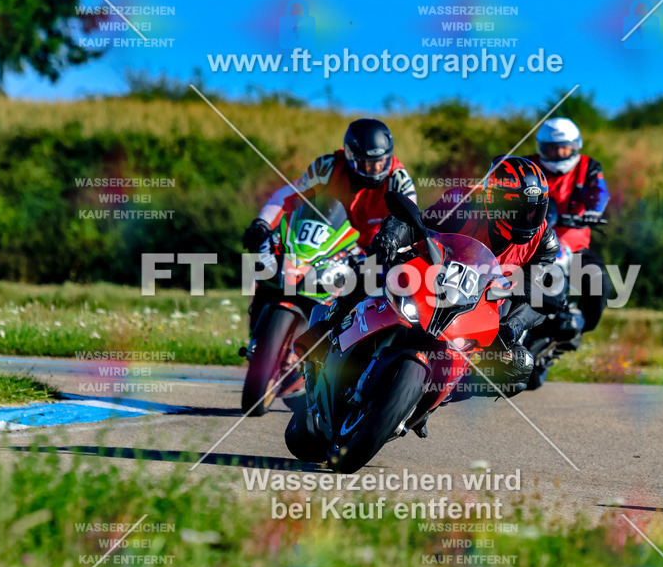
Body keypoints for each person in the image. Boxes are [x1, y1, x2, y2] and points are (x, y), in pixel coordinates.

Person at [370, 156, 570, 409]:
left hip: (477, 310)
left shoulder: (543, 240)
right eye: (518, 209)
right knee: (366, 271)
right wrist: (390, 237)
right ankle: (320, 336)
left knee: (517, 371)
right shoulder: (463, 204)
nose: (527, 218)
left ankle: (431, 397)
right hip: (427, 280)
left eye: (534, 210)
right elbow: (415, 224)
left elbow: (546, 289)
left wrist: (512, 328)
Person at [240, 118, 417, 333]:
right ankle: (255, 330)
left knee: (375, 302)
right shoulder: (328, 165)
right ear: (350, 155)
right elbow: (289, 194)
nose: (374, 169)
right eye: (366, 163)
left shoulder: (399, 179)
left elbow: (408, 218)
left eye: (381, 162)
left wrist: (391, 239)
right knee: (267, 258)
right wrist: (262, 222)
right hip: (320, 241)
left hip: (369, 252)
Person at [527, 117, 611, 333]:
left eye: (563, 149)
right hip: (530, 241)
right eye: (551, 149)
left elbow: (599, 192)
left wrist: (594, 211)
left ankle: (581, 325)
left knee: (598, 283)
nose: (557, 155)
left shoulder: (588, 166)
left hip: (574, 245)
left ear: (575, 146)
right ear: (541, 147)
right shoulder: (528, 165)